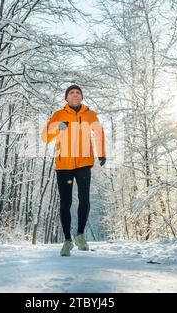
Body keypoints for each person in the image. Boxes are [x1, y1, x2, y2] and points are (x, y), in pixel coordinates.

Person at [41, 84, 106, 256]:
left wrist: (102, 154)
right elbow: (45, 137)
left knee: (84, 199)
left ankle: (80, 235)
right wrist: (58, 127)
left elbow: (99, 134)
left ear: (81, 97)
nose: (75, 95)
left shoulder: (90, 115)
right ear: (66, 97)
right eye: (72, 92)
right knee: (66, 202)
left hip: (84, 162)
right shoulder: (59, 115)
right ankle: (67, 240)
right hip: (64, 164)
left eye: (78, 92)